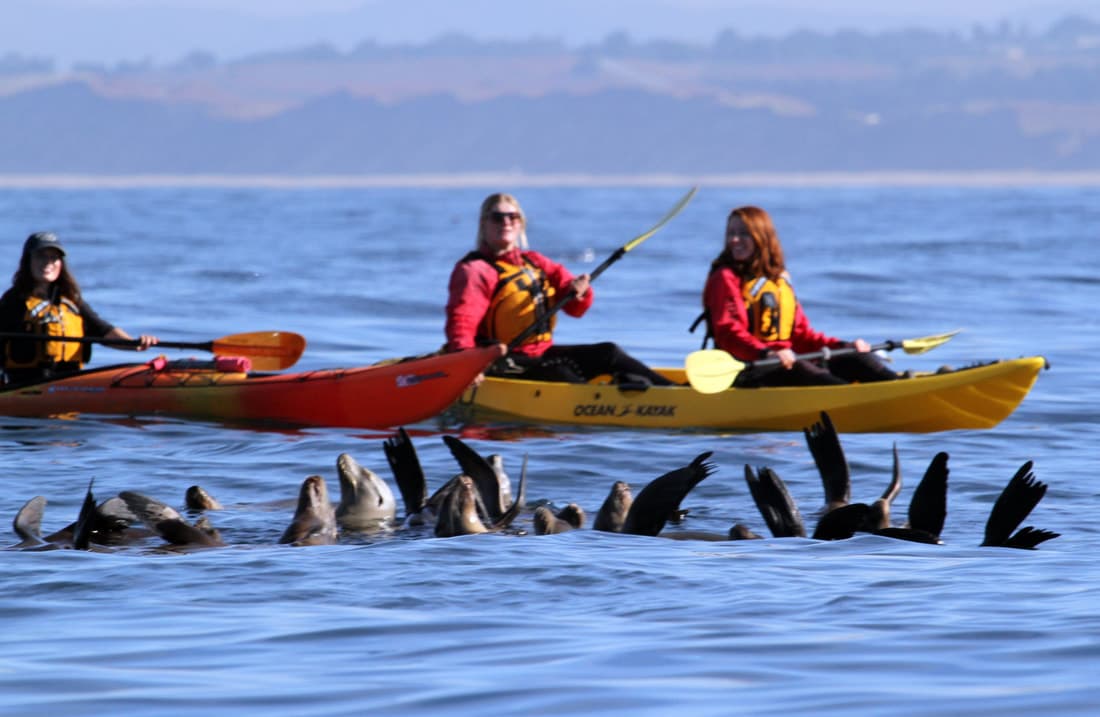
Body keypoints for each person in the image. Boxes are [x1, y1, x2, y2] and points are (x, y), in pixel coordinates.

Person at [445, 192, 673, 386]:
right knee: (561, 373)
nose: (506, 222)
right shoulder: (475, 270)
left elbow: (576, 309)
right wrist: (466, 364)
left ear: (520, 224)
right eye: (498, 217)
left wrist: (581, 290)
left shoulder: (535, 262)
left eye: (512, 217)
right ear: (484, 224)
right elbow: (462, 321)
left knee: (609, 352)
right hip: (500, 362)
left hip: (539, 355)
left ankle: (675, 391)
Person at [698, 205, 901, 387]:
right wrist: (766, 353)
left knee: (854, 357)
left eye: (743, 234)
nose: (734, 240)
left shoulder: (778, 279)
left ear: (762, 237)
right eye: (730, 233)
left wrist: (843, 345)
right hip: (748, 368)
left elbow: (801, 335)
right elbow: (728, 333)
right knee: (804, 371)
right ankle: (853, 402)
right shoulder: (725, 277)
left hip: (785, 362)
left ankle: (900, 388)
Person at [0, 232, 158, 385]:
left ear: (61, 263)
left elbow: (103, 331)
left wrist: (135, 344)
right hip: (27, 386)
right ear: (28, 261)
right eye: (41, 256)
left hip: (71, 383)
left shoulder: (71, 301)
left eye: (54, 257)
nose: (48, 262)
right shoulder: (13, 302)